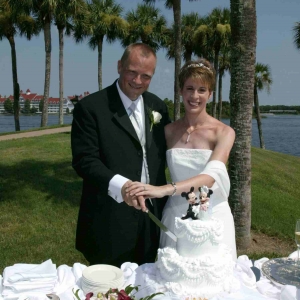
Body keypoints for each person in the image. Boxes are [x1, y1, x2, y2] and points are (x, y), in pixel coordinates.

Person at [126, 59, 237, 260]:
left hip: (212, 216)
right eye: (189, 88)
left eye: (202, 90)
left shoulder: (224, 132)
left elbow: (211, 177)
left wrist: (165, 190)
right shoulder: (167, 131)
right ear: (181, 91)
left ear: (210, 94)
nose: (195, 96)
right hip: (175, 217)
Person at [71, 43, 170, 267]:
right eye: (132, 72)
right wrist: (122, 186)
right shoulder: (90, 108)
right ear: (119, 66)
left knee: (147, 284)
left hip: (152, 219)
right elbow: (84, 161)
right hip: (108, 221)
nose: (137, 81)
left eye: (146, 76)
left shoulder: (158, 107)